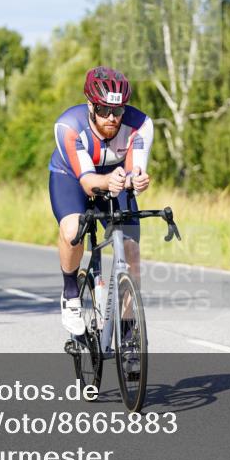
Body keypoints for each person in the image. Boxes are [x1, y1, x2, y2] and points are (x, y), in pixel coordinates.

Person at [48, 66, 153, 335]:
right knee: (73, 230)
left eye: (117, 111)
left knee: (132, 253)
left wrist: (136, 180)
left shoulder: (140, 125)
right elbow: (87, 182)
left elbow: (134, 171)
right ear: (90, 106)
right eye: (103, 110)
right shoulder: (68, 127)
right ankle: (71, 293)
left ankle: (129, 335)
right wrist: (112, 182)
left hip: (114, 177)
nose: (111, 118)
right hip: (71, 177)